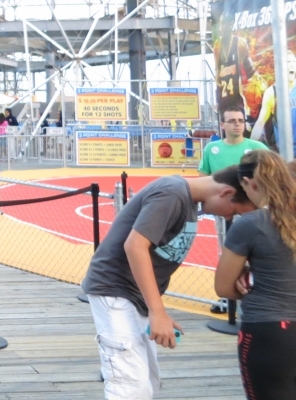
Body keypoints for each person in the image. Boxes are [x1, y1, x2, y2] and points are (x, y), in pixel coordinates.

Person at [82, 167, 255, 399]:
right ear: (226, 192)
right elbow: (134, 245)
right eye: (234, 210)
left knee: (148, 382)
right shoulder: (172, 193)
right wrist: (158, 311)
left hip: (136, 296)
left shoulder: (188, 202)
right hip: (115, 290)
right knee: (130, 385)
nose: (229, 217)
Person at [215, 149, 296, 399]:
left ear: (250, 183)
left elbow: (223, 287)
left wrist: (248, 272)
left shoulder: (250, 224)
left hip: (270, 331)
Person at [199, 107, 270, 175]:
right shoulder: (210, 148)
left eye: (241, 121)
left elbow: (272, 174)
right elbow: (202, 178)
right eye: (232, 121)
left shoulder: (258, 147)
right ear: (222, 125)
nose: (237, 124)